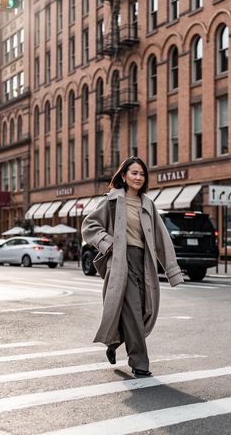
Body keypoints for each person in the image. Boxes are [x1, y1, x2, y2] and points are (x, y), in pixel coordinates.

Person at [81, 156, 184, 378]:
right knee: (134, 310)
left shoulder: (148, 204)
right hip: (120, 262)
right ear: (124, 175)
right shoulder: (112, 200)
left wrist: (172, 271)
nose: (138, 177)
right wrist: (108, 244)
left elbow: (161, 238)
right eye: (134, 173)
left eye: (142, 174)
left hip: (143, 262)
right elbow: (89, 226)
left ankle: (115, 341)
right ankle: (140, 363)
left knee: (144, 310)